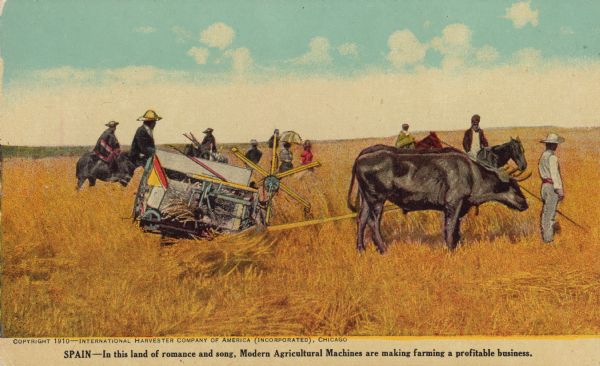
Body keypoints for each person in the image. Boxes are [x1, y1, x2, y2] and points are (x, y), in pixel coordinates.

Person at [538, 133, 565, 243]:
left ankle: (546, 236)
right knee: (549, 215)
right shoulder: (552, 157)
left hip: (544, 187)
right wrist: (559, 190)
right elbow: (554, 174)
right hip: (551, 187)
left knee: (545, 213)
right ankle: (548, 240)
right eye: (556, 144)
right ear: (554, 145)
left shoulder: (543, 156)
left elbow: (542, 172)